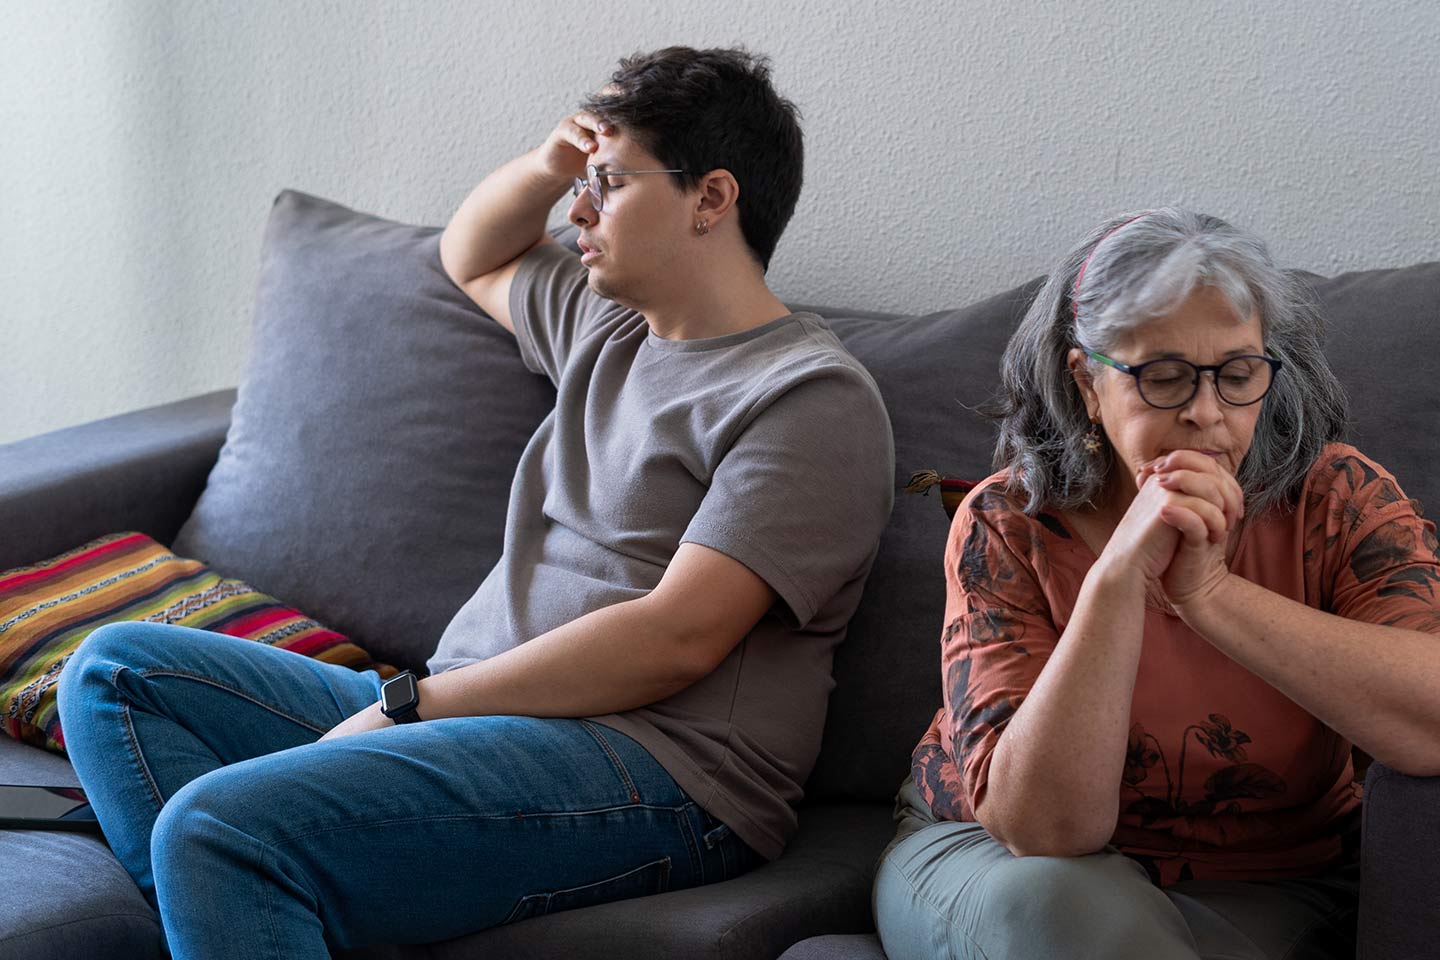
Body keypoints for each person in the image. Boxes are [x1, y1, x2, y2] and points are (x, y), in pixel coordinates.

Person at [57, 46, 893, 959]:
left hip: (659, 770)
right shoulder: (605, 326)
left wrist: (413, 702)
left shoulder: (809, 399)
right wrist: (549, 161)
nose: (580, 207)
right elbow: (472, 251)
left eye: (607, 182)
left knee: (216, 827)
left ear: (711, 198)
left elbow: (678, 637)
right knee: (111, 673)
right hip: (476, 717)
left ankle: (257, 892)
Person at [874, 208, 1440, 960]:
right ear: (1086, 384)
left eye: (1238, 375)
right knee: (1062, 907)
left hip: (1272, 880)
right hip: (999, 862)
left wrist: (1210, 596)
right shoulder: (1008, 521)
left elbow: (1430, 725)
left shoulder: (1338, 499)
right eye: (1163, 378)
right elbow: (1049, 831)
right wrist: (1114, 583)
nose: (1207, 415)